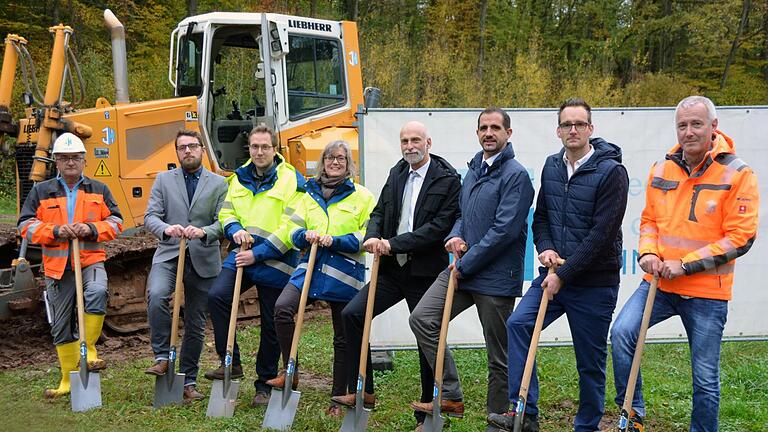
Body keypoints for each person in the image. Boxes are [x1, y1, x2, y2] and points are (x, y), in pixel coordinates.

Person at [610, 96, 759, 432]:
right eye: (682, 125)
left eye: (696, 124)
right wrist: (647, 253)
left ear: (713, 127)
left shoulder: (738, 174)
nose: (688, 132)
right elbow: (648, 221)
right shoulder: (661, 168)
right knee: (622, 333)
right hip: (659, 285)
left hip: (707, 293)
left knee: (704, 378)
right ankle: (633, 417)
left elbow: (741, 238)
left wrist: (686, 264)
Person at [487, 98, 629, 432]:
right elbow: (543, 218)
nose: (574, 130)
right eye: (567, 124)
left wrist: (563, 275)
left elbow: (602, 236)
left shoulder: (612, 172)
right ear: (559, 130)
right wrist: (546, 247)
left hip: (594, 283)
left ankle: (587, 426)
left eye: (580, 124)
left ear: (591, 129)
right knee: (519, 325)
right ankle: (525, 413)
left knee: (589, 362)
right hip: (553, 275)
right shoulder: (552, 166)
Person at [409, 107, 535, 431]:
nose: (488, 133)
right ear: (477, 133)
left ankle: (498, 422)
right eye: (483, 128)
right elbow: (463, 215)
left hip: (494, 278)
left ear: (509, 133)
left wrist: (465, 264)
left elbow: (504, 231)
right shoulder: (474, 169)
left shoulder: (516, 175)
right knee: (422, 318)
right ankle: (450, 392)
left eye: (495, 127)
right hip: (463, 270)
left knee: (499, 357)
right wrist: (454, 236)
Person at [331, 121, 462, 430]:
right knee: (352, 314)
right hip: (392, 269)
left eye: (415, 140)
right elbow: (378, 212)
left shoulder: (447, 179)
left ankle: (427, 415)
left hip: (424, 271)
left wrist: (392, 243)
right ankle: (363, 390)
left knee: (425, 336)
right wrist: (372, 236)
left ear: (429, 142)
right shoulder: (397, 172)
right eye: (404, 140)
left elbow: (437, 230)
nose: (409, 146)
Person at [266, 140, 375, 417]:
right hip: (311, 265)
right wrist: (304, 236)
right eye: (330, 157)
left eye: (340, 158)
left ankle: (338, 397)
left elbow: (368, 234)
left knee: (342, 336)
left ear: (348, 164)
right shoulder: (307, 194)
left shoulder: (362, 196)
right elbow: (292, 228)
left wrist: (336, 240)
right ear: (322, 161)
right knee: (282, 309)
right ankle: (291, 369)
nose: (335, 162)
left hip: (343, 270)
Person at [205, 125, 306, 407]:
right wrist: (234, 228)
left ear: (275, 149)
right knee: (217, 297)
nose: (259, 152)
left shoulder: (292, 181)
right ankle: (231, 361)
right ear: (248, 148)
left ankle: (264, 384)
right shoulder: (238, 178)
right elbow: (226, 211)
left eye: (264, 147)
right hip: (242, 252)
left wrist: (258, 254)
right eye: (254, 147)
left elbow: (293, 226)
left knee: (271, 322)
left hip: (276, 258)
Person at [18, 132, 123, 398]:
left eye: (75, 157)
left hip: (90, 260)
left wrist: (89, 228)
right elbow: (25, 226)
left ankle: (90, 351)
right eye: (64, 158)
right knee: (61, 325)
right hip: (57, 266)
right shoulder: (41, 191)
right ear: (56, 162)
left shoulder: (99, 189)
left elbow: (116, 222)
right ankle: (67, 378)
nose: (70, 162)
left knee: (97, 293)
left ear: (84, 160)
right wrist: (54, 231)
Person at [143, 129, 227, 402]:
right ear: (177, 152)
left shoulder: (219, 184)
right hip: (169, 252)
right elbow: (151, 216)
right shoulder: (164, 180)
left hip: (203, 257)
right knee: (156, 296)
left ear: (202, 149)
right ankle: (162, 356)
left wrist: (205, 232)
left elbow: (223, 221)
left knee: (195, 322)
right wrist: (168, 229)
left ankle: (188, 381)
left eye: (192, 146)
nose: (188, 151)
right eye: (182, 148)